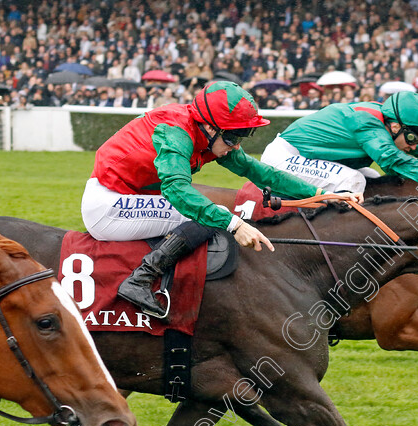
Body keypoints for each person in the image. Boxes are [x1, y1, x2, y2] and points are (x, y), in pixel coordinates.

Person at [82, 81, 357, 318]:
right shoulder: (176, 132)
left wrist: (323, 195)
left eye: (244, 135)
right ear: (209, 127)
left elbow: (259, 171)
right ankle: (139, 280)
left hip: (131, 197)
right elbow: (176, 190)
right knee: (206, 214)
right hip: (109, 204)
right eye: (234, 135)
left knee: (210, 212)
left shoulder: (208, 133)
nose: (237, 144)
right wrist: (235, 225)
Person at [260, 91, 418, 199]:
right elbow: (393, 159)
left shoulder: (386, 123)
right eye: (412, 138)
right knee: (354, 180)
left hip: (309, 158)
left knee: (372, 178)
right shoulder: (368, 122)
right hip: (285, 159)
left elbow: (413, 147)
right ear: (395, 127)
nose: (415, 145)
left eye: (417, 139)